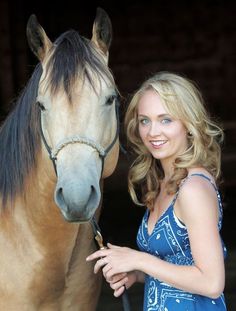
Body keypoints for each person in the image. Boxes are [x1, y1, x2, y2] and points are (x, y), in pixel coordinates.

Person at [86, 71, 227, 310]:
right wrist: (136, 273)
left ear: (188, 124)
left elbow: (212, 282)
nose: (152, 132)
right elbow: (178, 264)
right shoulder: (163, 183)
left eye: (165, 120)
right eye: (144, 120)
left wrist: (139, 259)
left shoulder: (193, 189)